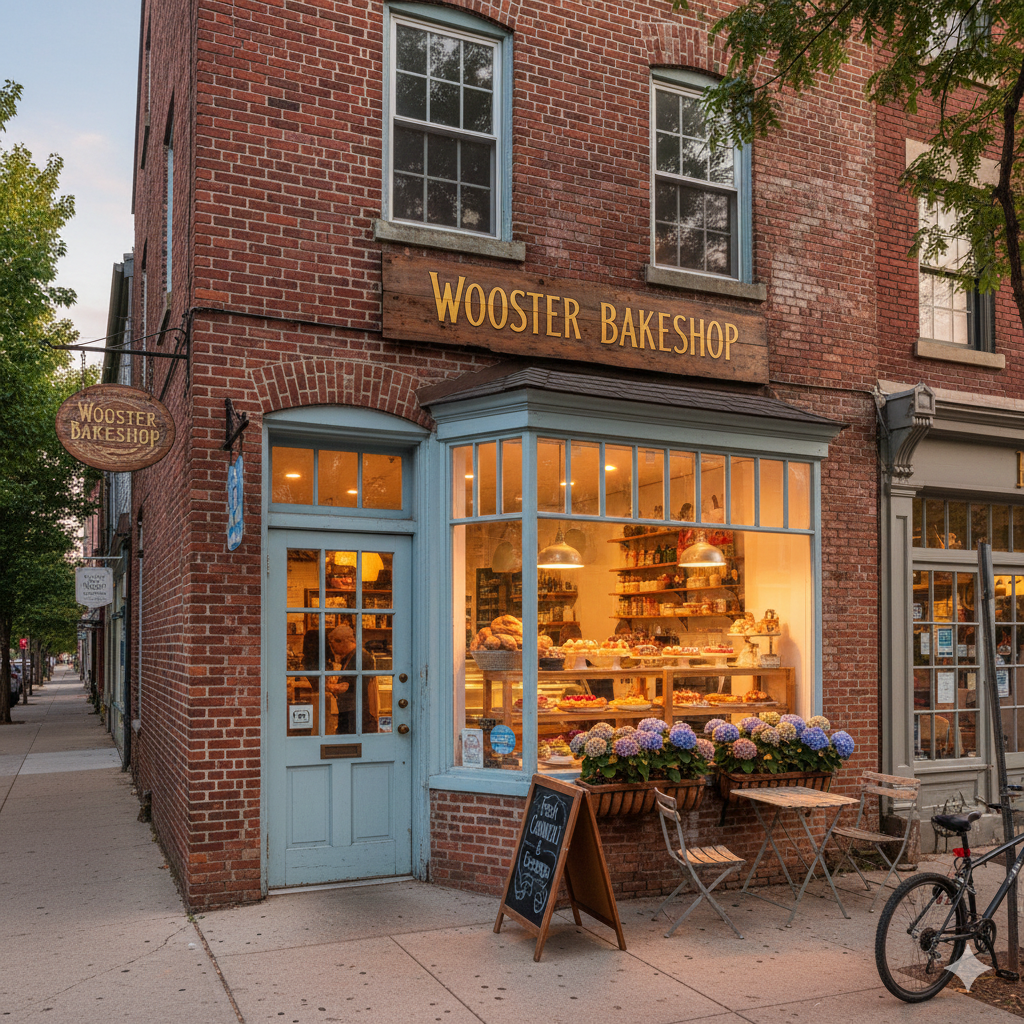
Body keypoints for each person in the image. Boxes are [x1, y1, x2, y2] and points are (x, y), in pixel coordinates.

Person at [325, 623, 377, 734]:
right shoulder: (350, 657)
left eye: (333, 646)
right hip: (349, 711)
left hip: (357, 713)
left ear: (342, 641)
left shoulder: (360, 658)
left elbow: (348, 687)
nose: (333, 650)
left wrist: (329, 686)